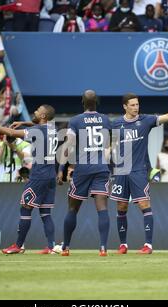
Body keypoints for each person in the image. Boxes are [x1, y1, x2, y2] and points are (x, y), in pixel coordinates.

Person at [110, 89, 168, 255]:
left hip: (139, 170)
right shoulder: (116, 123)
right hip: (120, 171)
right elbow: (110, 146)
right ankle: (123, 245)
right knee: (121, 206)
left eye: (137, 104)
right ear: (125, 106)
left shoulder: (146, 120)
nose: (136, 107)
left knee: (144, 204)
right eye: (132, 105)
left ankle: (148, 245)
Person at [0, 104, 57, 254]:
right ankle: (51, 246)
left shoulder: (37, 130)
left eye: (37, 110)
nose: (34, 112)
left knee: (25, 207)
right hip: (50, 175)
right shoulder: (52, 129)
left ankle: (18, 245)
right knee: (45, 212)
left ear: (43, 116)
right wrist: (24, 123)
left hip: (39, 175)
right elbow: (37, 126)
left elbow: (10, 132)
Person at [57, 90, 112, 256]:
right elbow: (109, 145)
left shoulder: (75, 120)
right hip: (101, 168)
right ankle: (103, 248)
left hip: (82, 169)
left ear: (82, 102)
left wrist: (61, 168)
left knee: (72, 209)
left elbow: (68, 146)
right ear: (97, 102)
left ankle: (65, 247)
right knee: (102, 208)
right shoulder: (105, 120)